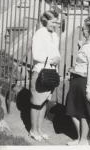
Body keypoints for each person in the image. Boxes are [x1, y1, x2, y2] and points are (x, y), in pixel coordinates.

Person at [65, 17, 90, 145]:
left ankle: (83, 141)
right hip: (78, 79)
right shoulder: (88, 44)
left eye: (84, 28)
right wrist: (81, 46)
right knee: (72, 110)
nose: (82, 29)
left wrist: (89, 90)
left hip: (86, 82)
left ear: (89, 30)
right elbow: (85, 61)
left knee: (83, 113)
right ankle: (79, 138)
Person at [29, 10, 61, 141]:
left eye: (56, 22)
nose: (55, 25)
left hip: (51, 73)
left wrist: (57, 59)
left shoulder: (55, 36)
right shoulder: (39, 34)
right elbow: (36, 55)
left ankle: (40, 130)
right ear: (45, 21)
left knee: (44, 103)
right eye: (53, 22)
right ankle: (33, 130)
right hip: (41, 72)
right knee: (36, 103)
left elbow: (57, 53)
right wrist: (51, 59)